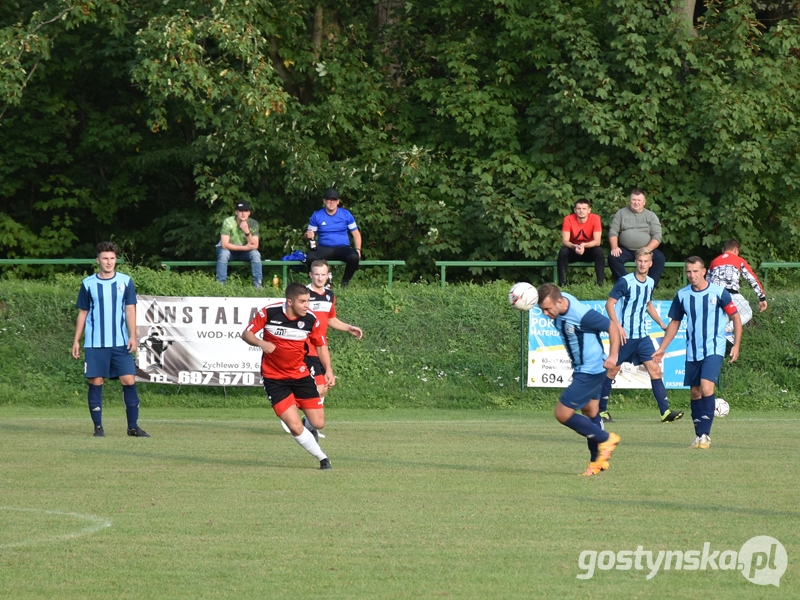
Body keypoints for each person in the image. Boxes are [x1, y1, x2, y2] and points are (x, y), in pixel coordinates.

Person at [242, 282, 335, 469]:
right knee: (293, 426)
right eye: (303, 302)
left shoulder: (310, 319)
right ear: (290, 302)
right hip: (274, 378)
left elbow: (320, 345)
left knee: (318, 423)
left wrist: (329, 370)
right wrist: (261, 343)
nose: (307, 305)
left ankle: (306, 423)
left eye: (308, 301)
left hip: (300, 375)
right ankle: (323, 458)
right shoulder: (269, 312)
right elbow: (246, 334)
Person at [652, 257, 742, 450]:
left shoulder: (719, 293)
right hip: (693, 351)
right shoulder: (682, 295)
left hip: (714, 349)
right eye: (688, 272)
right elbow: (674, 323)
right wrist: (662, 348)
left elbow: (735, 317)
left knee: (706, 387)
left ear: (704, 272)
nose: (691, 275)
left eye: (695, 271)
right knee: (695, 392)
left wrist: (736, 345)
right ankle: (698, 435)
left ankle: (705, 436)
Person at [537, 283, 622, 476]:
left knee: (562, 413)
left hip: (590, 370)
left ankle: (606, 438)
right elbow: (549, 291)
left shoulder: (581, 315)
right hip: (585, 368)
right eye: (542, 310)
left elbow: (612, 327)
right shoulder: (560, 300)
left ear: (559, 302)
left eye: (548, 309)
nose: (546, 314)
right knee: (590, 411)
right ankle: (597, 462)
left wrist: (613, 355)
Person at [71, 242, 149, 438]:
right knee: (96, 381)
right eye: (105, 258)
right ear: (98, 260)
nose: (109, 262)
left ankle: (133, 427)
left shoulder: (125, 281)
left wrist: (133, 335)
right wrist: (76, 340)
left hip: (120, 341)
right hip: (96, 343)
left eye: (112, 258)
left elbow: (130, 309)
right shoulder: (88, 283)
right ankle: (98, 427)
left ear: (116, 260)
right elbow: (83, 312)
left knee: (129, 379)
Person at [278, 260, 364, 438]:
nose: (319, 277)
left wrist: (349, 328)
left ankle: (309, 425)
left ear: (327, 275)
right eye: (316, 274)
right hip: (302, 349)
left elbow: (330, 319)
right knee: (315, 385)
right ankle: (289, 411)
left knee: (323, 386)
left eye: (323, 274)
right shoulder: (302, 294)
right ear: (310, 275)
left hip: (319, 347)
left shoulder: (329, 295)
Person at [598, 248, 684, 424]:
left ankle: (665, 412)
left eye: (646, 261)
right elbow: (609, 304)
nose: (642, 264)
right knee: (612, 370)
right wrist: (618, 327)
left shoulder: (651, 282)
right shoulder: (625, 282)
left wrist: (660, 322)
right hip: (626, 336)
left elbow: (648, 304)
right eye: (640, 261)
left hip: (643, 336)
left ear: (651, 263)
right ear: (636, 262)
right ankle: (600, 411)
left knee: (655, 370)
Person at [707, 239, 767, 343]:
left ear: (724, 250)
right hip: (731, 295)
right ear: (736, 250)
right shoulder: (738, 260)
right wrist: (762, 297)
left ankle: (722, 344)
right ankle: (727, 330)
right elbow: (751, 278)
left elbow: (706, 281)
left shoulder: (714, 262)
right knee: (747, 312)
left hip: (714, 295)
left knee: (722, 318)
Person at [608, 189, 666, 287]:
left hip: (646, 249)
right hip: (626, 250)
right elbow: (613, 232)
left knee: (660, 257)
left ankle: (649, 286)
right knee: (613, 258)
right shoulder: (621, 213)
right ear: (629, 201)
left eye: (639, 200)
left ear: (644, 202)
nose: (636, 202)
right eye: (634, 200)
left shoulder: (651, 215)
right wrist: (614, 247)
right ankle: (625, 285)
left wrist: (647, 249)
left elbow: (657, 236)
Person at [304, 189, 362, 287]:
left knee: (354, 256)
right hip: (324, 248)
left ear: (338, 202)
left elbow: (356, 234)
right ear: (324, 201)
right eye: (329, 200)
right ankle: (321, 283)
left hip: (342, 247)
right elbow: (308, 235)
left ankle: (345, 282)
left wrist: (358, 249)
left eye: (334, 200)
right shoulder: (317, 215)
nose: (331, 202)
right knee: (310, 257)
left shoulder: (346, 214)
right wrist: (308, 235)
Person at [557, 198, 605, 286]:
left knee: (599, 251)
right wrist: (575, 246)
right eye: (579, 209)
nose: (581, 211)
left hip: (589, 250)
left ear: (589, 210)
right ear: (575, 210)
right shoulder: (568, 219)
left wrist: (584, 245)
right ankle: (562, 284)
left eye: (584, 209)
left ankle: (600, 284)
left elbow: (597, 241)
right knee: (563, 251)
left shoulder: (595, 218)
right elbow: (564, 241)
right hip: (573, 249)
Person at [216, 201, 262, 288]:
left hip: (244, 252)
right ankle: (219, 286)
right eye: (240, 211)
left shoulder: (253, 223)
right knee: (223, 254)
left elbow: (255, 245)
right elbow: (225, 245)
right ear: (236, 212)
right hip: (229, 250)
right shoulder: (228, 222)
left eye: (245, 211)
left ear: (249, 212)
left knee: (256, 254)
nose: (243, 213)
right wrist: (245, 248)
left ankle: (258, 285)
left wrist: (247, 232)